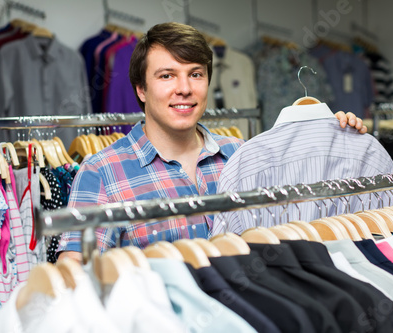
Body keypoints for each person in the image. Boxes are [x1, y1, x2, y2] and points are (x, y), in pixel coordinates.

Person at [57, 22, 367, 263]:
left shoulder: (243, 154)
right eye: (167, 76)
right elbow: (76, 279)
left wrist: (335, 137)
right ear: (141, 89)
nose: (184, 89)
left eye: (196, 74)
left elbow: (304, 220)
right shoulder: (101, 172)